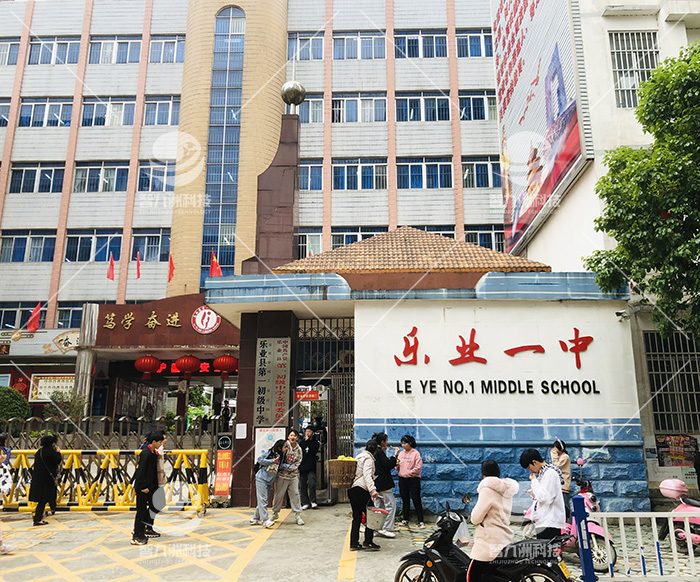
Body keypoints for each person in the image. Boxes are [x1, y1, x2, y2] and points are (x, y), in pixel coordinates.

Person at [467, 460, 519, 582]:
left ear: (483, 474)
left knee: (472, 574)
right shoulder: (506, 489)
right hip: (504, 537)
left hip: (488, 541)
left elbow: (476, 518)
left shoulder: (487, 489)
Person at [519, 448, 566, 539]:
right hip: (545, 521)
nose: (530, 470)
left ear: (534, 462)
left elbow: (545, 498)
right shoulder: (544, 473)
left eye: (529, 467)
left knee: (547, 547)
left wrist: (534, 481)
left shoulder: (550, 473)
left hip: (549, 523)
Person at [131, 432, 165, 545]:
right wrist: (142, 486)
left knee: (156, 505)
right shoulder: (146, 453)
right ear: (154, 442)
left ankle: (142, 529)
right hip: (143, 487)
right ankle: (137, 535)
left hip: (151, 486)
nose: (161, 444)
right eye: (159, 442)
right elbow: (141, 471)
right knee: (141, 511)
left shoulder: (153, 452)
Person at [349, 439, 381, 551]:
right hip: (361, 490)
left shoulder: (358, 456)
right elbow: (367, 475)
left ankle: (354, 543)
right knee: (372, 516)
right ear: (375, 450)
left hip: (352, 489)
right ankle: (368, 541)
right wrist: (373, 490)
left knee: (357, 517)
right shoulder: (368, 459)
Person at [271, 429, 305, 526]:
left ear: (297, 438)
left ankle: (297, 515)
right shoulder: (284, 446)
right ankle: (275, 513)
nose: (292, 437)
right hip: (282, 475)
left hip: (293, 475)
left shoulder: (299, 449)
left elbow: (299, 461)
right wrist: (284, 467)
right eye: (291, 435)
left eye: (294, 436)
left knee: (295, 494)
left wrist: (292, 468)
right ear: (288, 437)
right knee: (279, 495)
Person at [29, 434, 61, 526]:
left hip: (38, 479)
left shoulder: (39, 452)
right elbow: (57, 460)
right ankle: (38, 518)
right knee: (43, 500)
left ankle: (40, 516)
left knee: (42, 499)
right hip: (47, 480)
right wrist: (58, 452)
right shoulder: (51, 452)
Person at [252, 439, 285, 527]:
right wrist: (272, 461)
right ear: (279, 448)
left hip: (269, 480)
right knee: (263, 500)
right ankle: (265, 520)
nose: (286, 449)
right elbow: (260, 460)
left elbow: (279, 466)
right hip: (261, 478)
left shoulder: (281, 456)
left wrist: (287, 466)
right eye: (285, 447)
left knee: (263, 500)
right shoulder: (269, 453)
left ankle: (255, 518)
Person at [372, 432, 398, 538]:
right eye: (386, 440)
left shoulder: (376, 451)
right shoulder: (379, 452)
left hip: (376, 482)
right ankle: (386, 528)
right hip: (383, 483)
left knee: (379, 506)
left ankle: (377, 527)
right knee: (390, 505)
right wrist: (394, 456)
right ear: (382, 441)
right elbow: (387, 465)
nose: (387, 442)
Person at [397, 434, 425, 528]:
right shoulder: (401, 453)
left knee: (416, 499)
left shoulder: (415, 453)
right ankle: (405, 518)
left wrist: (409, 472)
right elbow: (398, 465)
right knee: (405, 499)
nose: (403, 445)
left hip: (413, 479)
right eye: (402, 443)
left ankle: (420, 520)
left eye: (405, 443)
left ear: (410, 443)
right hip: (402, 479)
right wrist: (397, 466)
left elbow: (418, 467)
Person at [299, 426, 319, 510]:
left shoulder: (315, 443)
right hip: (302, 467)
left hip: (311, 467)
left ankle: (313, 501)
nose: (307, 433)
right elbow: (301, 451)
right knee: (302, 485)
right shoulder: (302, 442)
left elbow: (312, 451)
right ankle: (304, 502)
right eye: (306, 431)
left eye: (309, 431)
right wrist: (305, 441)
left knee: (311, 483)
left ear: (313, 433)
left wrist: (308, 441)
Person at [0, 447, 16, 554]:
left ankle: (1, 546)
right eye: (0, 454)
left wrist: (5, 489)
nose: (2, 456)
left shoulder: (4, 468)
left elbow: (8, 480)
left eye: (4, 453)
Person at [551, 438, 572, 518]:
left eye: (555, 447)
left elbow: (556, 465)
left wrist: (553, 454)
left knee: (565, 505)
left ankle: (569, 522)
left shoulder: (565, 457)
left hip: (564, 485)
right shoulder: (561, 457)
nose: (554, 449)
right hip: (559, 485)